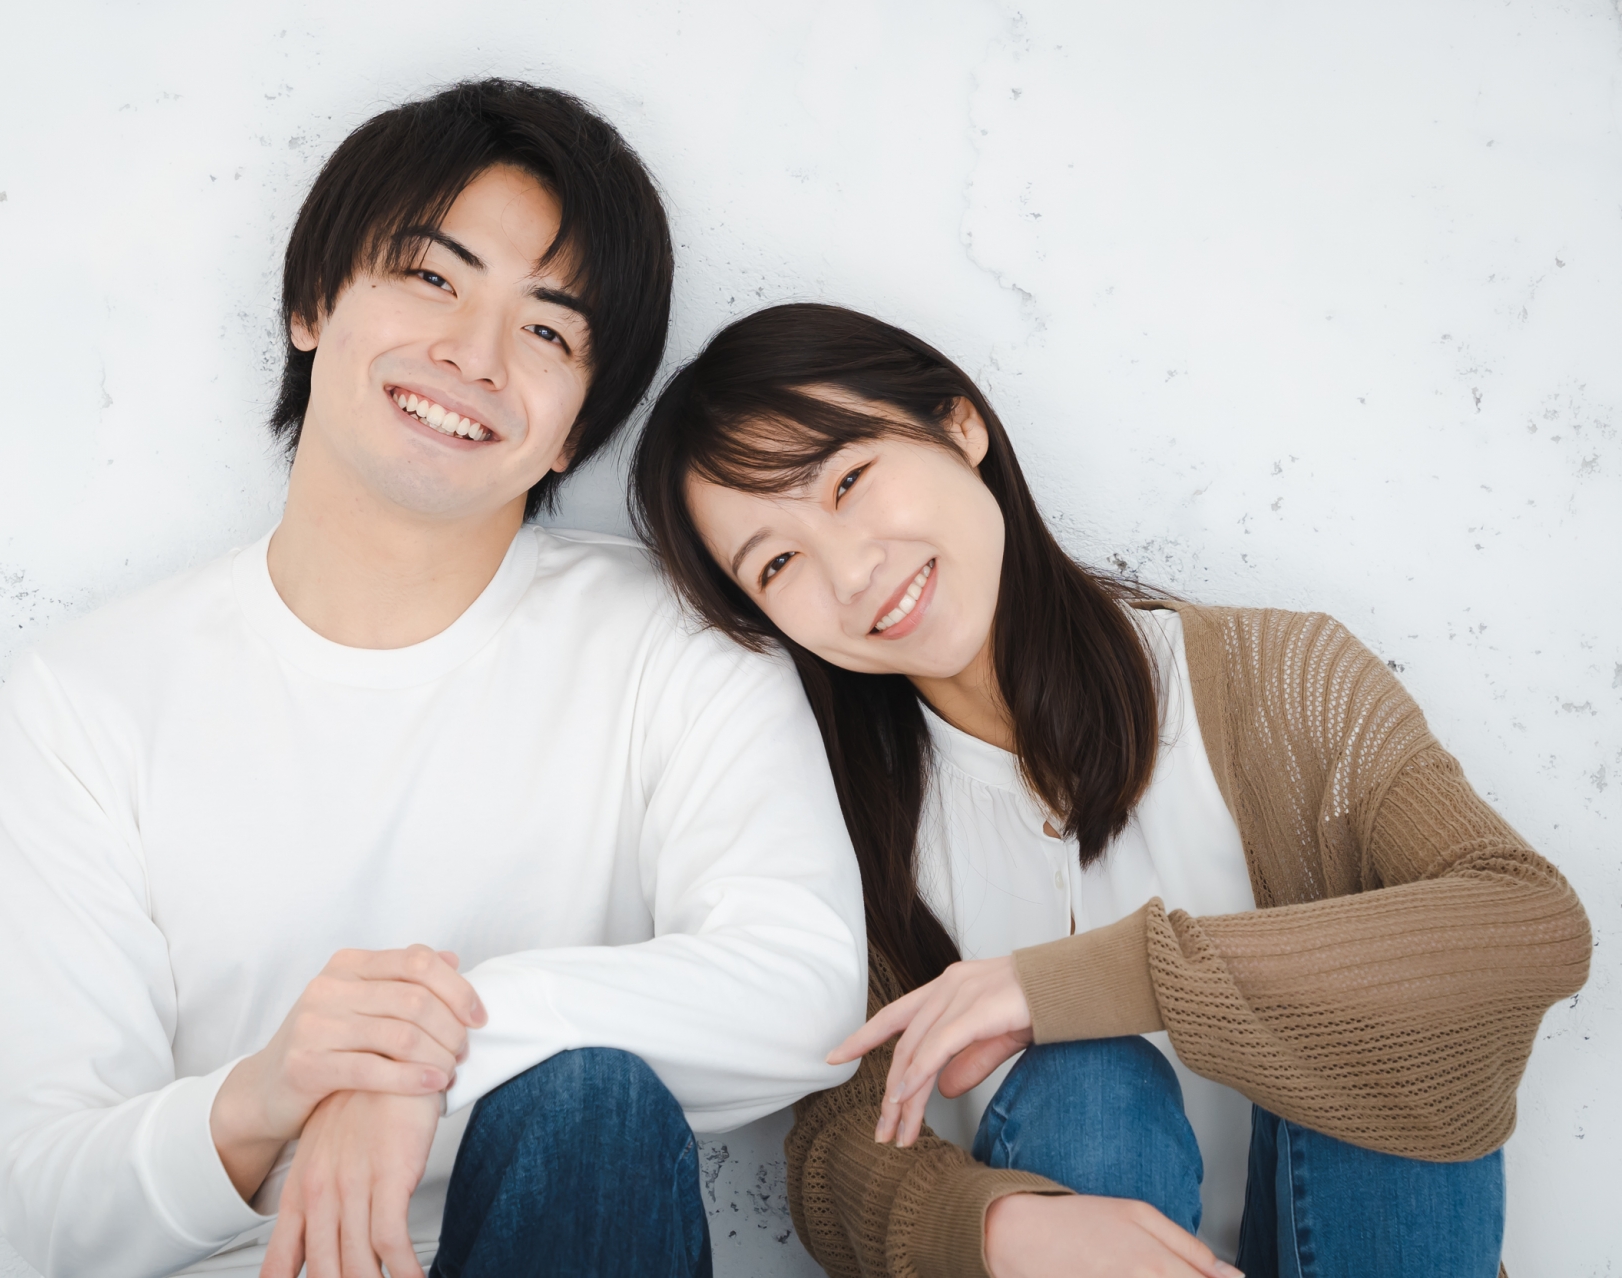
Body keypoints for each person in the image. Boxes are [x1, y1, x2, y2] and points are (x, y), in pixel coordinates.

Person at [0, 84, 867, 1278]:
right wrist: (275, 1087)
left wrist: (436, 1052)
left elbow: (805, 989)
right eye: (433, 277)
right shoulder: (88, 695)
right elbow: (48, 1197)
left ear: (576, 430)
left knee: (594, 1102)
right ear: (311, 301)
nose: (474, 355)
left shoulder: (677, 641)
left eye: (548, 331)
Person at [630, 302, 1591, 1278]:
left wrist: (1073, 982)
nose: (849, 572)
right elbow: (840, 1149)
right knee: (1089, 1080)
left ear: (959, 424)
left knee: (1385, 1016)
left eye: (848, 480)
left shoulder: (1278, 682)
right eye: (778, 562)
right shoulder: (831, 825)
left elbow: (1528, 920)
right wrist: (999, 1226)